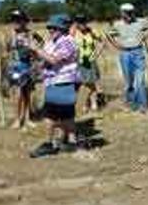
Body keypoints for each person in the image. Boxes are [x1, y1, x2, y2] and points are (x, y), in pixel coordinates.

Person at [29, 14, 80, 158]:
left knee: (50, 116)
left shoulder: (67, 42)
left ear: (62, 28)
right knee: (66, 115)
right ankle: (71, 142)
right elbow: (45, 58)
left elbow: (53, 60)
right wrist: (36, 52)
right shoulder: (53, 42)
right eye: (49, 27)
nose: (50, 30)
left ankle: (49, 144)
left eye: (54, 27)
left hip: (62, 81)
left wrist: (37, 50)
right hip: (53, 82)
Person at [107, 3, 148, 113]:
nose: (129, 14)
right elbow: (109, 34)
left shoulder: (140, 21)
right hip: (125, 53)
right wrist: (116, 45)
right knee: (129, 81)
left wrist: (147, 36)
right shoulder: (117, 24)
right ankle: (131, 104)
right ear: (122, 13)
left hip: (138, 52)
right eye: (127, 12)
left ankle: (143, 105)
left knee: (140, 80)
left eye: (131, 12)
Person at [6, 10, 40, 129]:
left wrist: (35, 61)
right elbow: (7, 50)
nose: (16, 22)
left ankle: (27, 118)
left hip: (28, 66)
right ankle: (17, 119)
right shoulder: (10, 34)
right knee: (18, 93)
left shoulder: (30, 34)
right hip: (15, 67)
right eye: (14, 20)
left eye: (18, 19)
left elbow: (37, 49)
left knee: (27, 93)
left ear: (24, 21)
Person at [74, 15, 104, 112]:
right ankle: (86, 104)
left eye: (83, 22)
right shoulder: (74, 33)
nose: (82, 24)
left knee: (90, 82)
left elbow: (102, 41)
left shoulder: (91, 31)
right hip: (79, 61)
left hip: (90, 60)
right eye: (79, 22)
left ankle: (93, 104)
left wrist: (97, 54)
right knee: (83, 83)